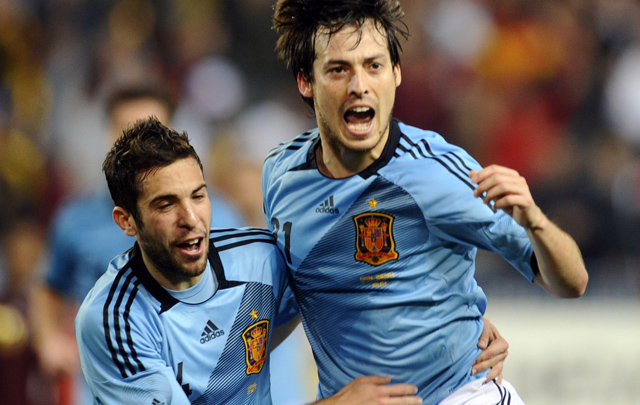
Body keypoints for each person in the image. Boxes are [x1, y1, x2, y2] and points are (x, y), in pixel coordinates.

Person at [262, 0, 589, 403]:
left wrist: (535, 221)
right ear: (305, 81)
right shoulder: (281, 177)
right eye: (338, 69)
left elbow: (571, 282)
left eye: (374, 65)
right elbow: (292, 299)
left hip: (461, 394)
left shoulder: (437, 173)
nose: (359, 85)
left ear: (396, 74)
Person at [75, 117, 423, 404]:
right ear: (126, 221)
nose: (191, 218)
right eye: (166, 205)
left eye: (198, 196)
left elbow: (370, 271)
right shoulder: (113, 319)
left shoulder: (260, 258)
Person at [31, 84, 245, 405]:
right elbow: (49, 285)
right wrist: (48, 340)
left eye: (148, 130)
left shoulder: (222, 216)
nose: (137, 144)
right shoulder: (75, 219)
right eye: (124, 129)